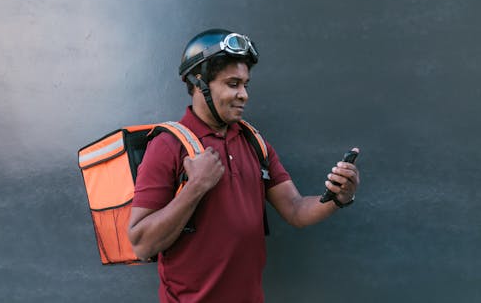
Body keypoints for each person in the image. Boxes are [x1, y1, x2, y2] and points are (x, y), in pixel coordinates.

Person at [128, 29, 360, 303]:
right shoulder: (167, 146)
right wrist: (196, 186)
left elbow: (296, 210)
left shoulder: (253, 141)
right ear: (199, 83)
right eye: (232, 84)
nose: (244, 95)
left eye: (245, 84)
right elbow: (142, 244)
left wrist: (338, 198)